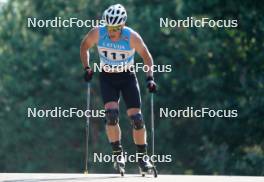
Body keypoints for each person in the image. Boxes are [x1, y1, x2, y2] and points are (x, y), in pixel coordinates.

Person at [80, 4, 157, 174]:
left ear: (122, 26)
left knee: (137, 118)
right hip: (107, 78)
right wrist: (87, 67)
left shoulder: (131, 37)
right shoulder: (98, 33)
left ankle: (143, 158)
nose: (111, 32)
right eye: (109, 27)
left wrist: (150, 78)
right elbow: (84, 46)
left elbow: (147, 57)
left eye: (115, 28)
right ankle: (118, 154)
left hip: (127, 77)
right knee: (111, 116)